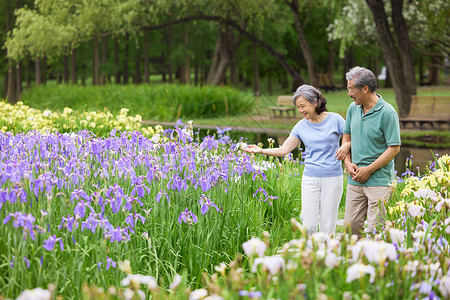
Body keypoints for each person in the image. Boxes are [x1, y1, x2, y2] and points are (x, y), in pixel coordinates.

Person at [245, 84, 350, 235]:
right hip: (310, 179)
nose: (300, 110)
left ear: (315, 102)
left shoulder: (335, 119)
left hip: (333, 178)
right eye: (297, 107)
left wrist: (347, 146)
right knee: (308, 225)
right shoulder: (301, 126)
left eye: (303, 106)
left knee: (328, 224)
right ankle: (309, 255)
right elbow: (283, 150)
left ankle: (325, 256)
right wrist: (261, 150)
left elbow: (352, 139)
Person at [342, 66, 401, 238]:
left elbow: (394, 148)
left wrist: (369, 170)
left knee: (376, 231)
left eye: (351, 89)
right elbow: (346, 139)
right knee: (350, 228)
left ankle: (376, 263)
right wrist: (347, 163)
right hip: (355, 180)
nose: (349, 94)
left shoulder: (387, 113)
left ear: (365, 89)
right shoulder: (353, 108)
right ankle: (356, 263)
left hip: (379, 181)